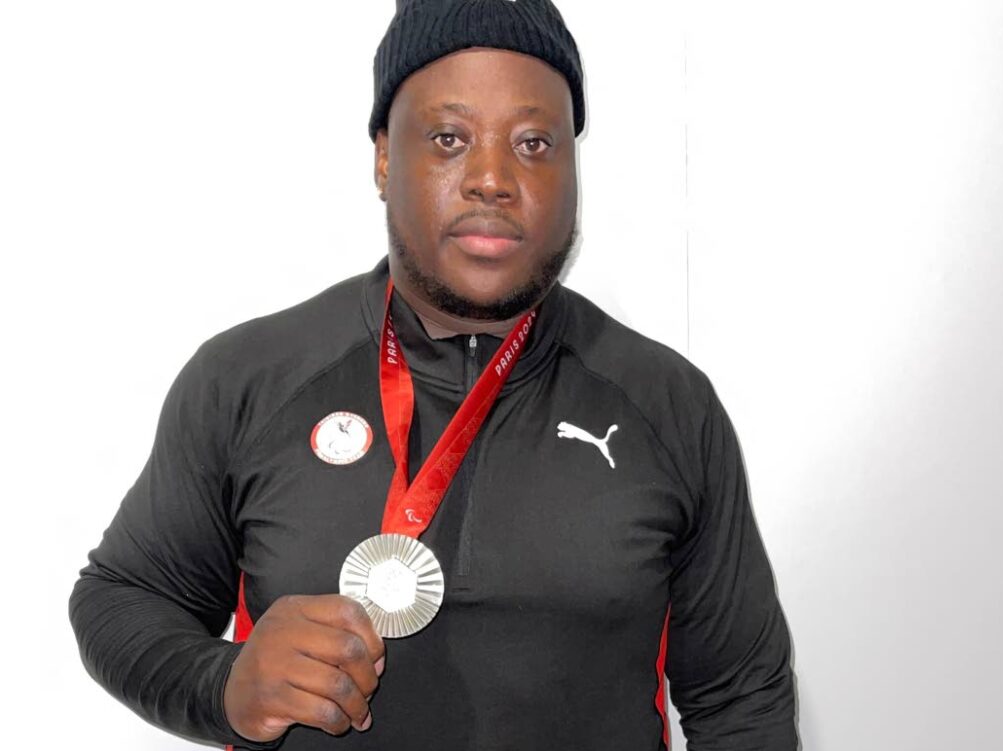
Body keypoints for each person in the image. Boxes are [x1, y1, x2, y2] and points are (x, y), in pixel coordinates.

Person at [69, 1, 797, 749]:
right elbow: (123, 598)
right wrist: (219, 684)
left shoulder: (666, 404)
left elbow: (742, 698)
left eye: (534, 142)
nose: (492, 178)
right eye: (449, 138)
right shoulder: (249, 379)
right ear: (384, 155)